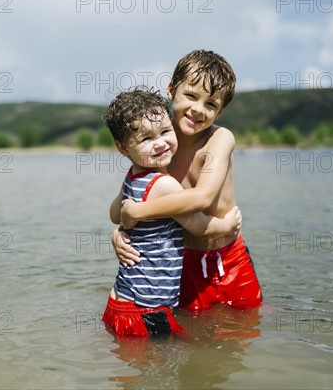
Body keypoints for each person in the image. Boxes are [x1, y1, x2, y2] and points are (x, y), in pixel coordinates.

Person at [113, 50, 263, 312]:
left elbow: (201, 198)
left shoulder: (220, 139)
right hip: (179, 263)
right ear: (171, 90)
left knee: (244, 332)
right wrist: (120, 234)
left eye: (211, 104)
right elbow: (133, 194)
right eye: (191, 96)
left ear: (221, 111)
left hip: (226, 259)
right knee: (189, 334)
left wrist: (137, 211)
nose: (198, 109)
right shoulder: (160, 141)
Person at [102, 87, 242, 337]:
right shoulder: (165, 184)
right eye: (146, 139)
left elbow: (115, 213)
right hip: (147, 310)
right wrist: (227, 225)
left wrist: (121, 226)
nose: (160, 143)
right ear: (123, 148)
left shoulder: (132, 177)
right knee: (167, 369)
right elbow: (197, 225)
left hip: (120, 301)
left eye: (165, 132)